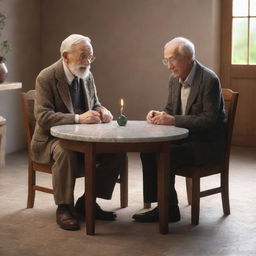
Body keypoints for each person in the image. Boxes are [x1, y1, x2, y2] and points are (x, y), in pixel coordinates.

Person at [31, 34, 125, 231]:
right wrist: (77, 118)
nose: (87, 62)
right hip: (52, 139)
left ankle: (87, 202)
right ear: (65, 56)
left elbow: (95, 103)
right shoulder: (46, 77)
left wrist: (103, 110)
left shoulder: (86, 74)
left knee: (117, 152)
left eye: (90, 57)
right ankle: (64, 207)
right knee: (67, 151)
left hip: (84, 137)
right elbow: (43, 117)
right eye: (83, 56)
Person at [132, 37, 226, 222]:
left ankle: (169, 209)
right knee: (148, 151)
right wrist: (158, 115)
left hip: (205, 144)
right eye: (166, 60)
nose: (169, 66)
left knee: (166, 154)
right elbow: (170, 109)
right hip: (184, 140)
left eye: (172, 59)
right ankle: (163, 205)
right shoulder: (174, 79)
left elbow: (209, 121)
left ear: (189, 57)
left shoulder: (209, 80)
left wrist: (173, 120)